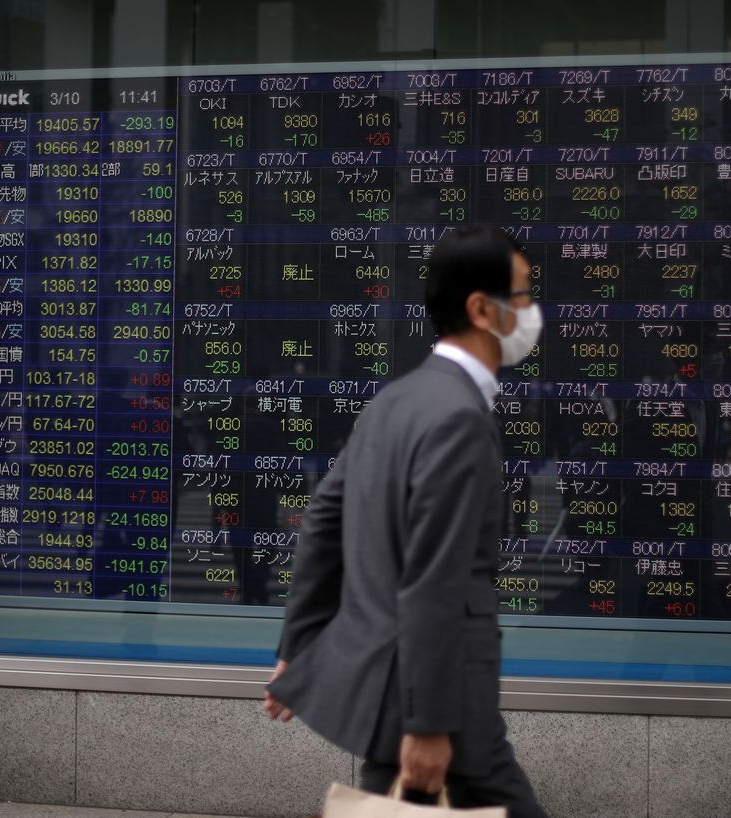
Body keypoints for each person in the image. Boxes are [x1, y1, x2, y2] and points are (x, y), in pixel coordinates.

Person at [264, 225, 547, 817]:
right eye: (521, 295)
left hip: (400, 689)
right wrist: (428, 724)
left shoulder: (396, 398)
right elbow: (434, 581)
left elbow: (322, 518)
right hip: (440, 696)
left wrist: (300, 643)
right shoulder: (459, 419)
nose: (530, 311)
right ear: (479, 308)